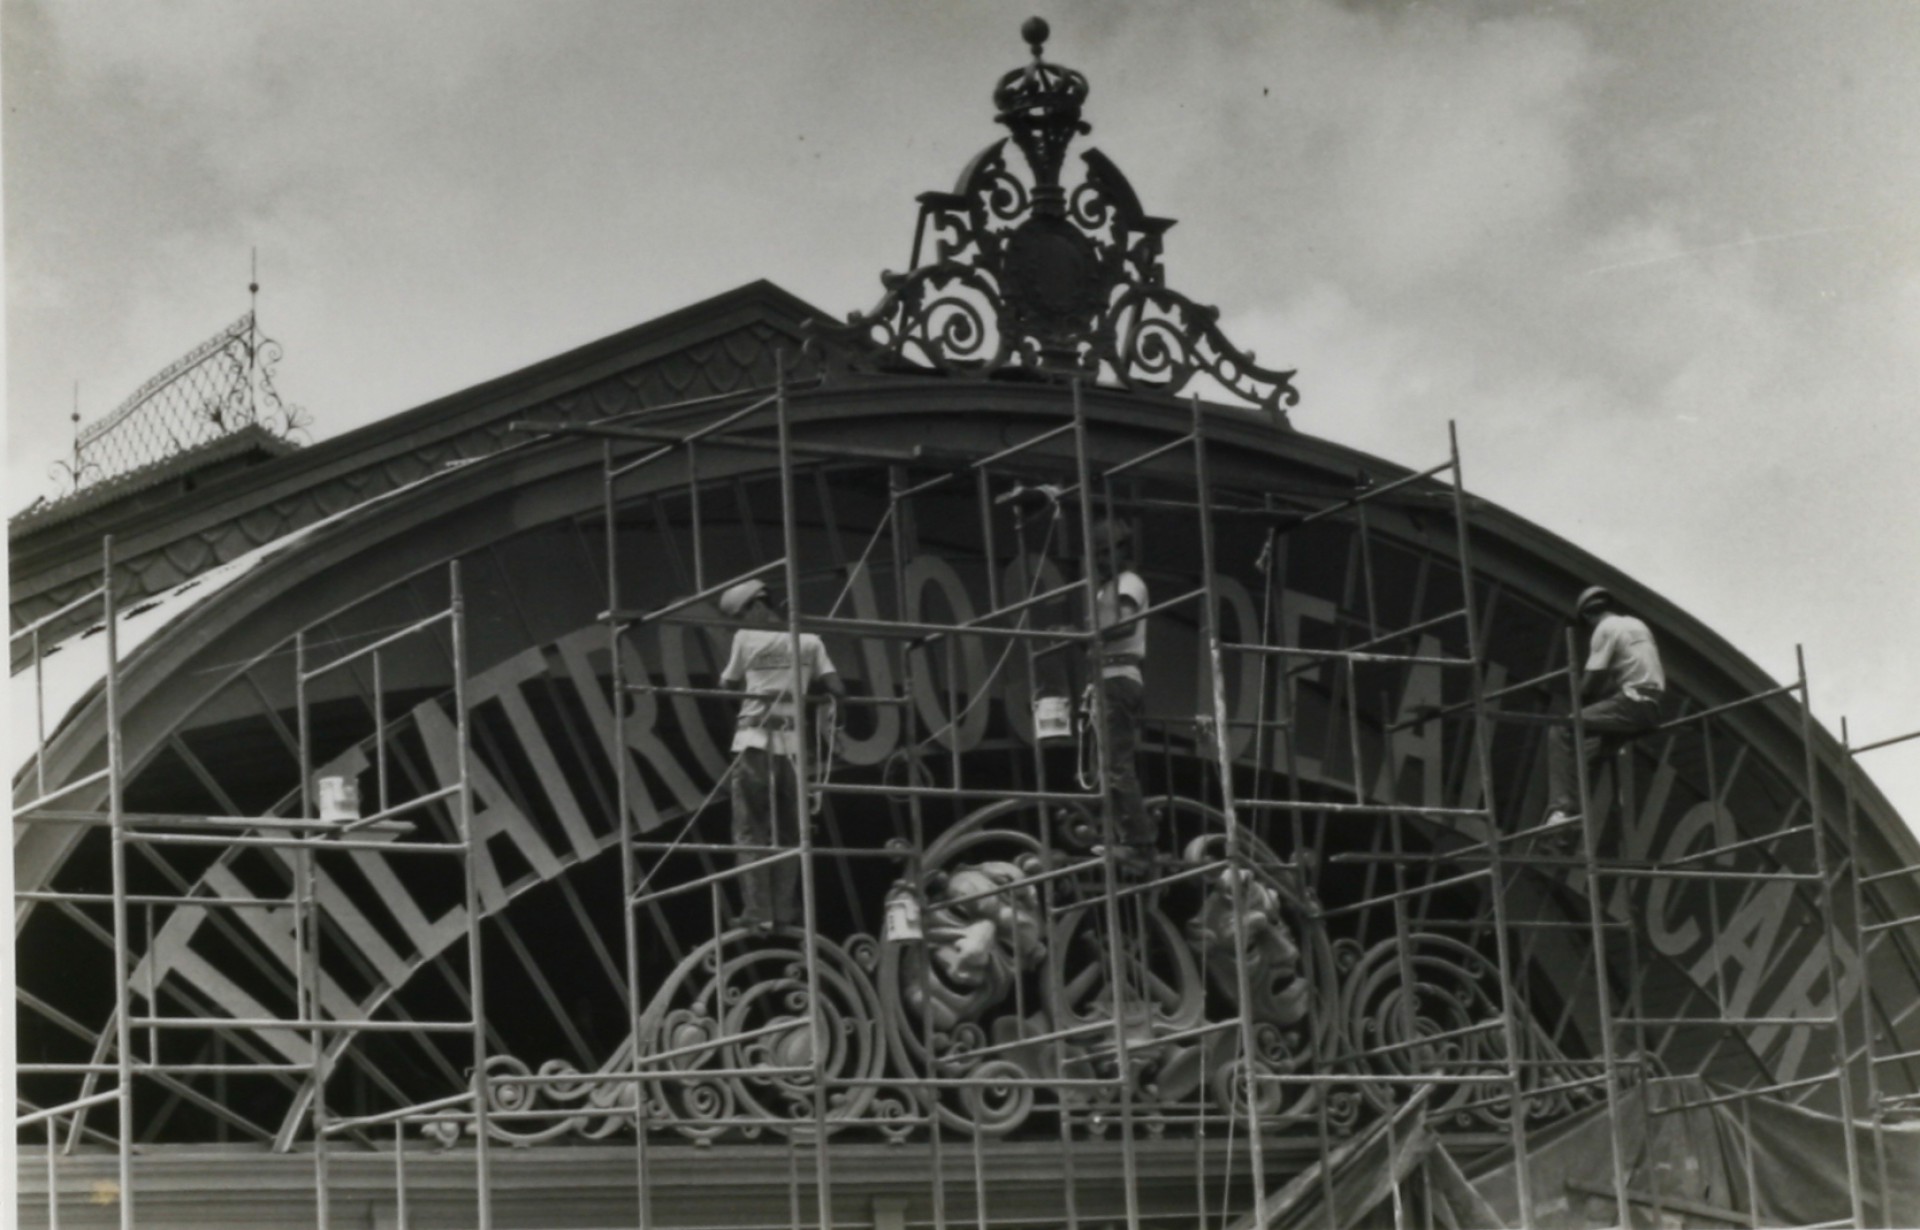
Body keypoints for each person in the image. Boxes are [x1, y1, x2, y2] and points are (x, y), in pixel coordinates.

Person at [717, 578, 846, 932]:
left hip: (754, 742)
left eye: (742, 614)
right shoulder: (810, 642)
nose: (741, 623)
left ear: (756, 606)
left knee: (749, 831)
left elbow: (727, 685)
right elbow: (836, 688)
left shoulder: (745, 638)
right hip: (792, 750)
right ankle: (785, 910)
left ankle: (758, 911)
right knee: (791, 833)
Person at [1543, 585, 1666, 831]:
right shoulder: (1635, 624)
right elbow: (1621, 674)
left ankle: (1562, 810)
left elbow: (1591, 682)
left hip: (1633, 702)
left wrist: (1574, 705)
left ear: (1587, 617)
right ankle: (1571, 824)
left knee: (1563, 728)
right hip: (1649, 704)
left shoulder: (1604, 629)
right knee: (1589, 752)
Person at [1087, 518, 1154, 855]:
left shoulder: (1129, 583)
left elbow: (1124, 627)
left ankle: (1140, 839)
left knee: (1117, 765)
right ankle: (1120, 836)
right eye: (1096, 554)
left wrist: (1083, 635)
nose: (1099, 560)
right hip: (1108, 678)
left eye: (1104, 552)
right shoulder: (1108, 587)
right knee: (1108, 766)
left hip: (1119, 678)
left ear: (1122, 551)